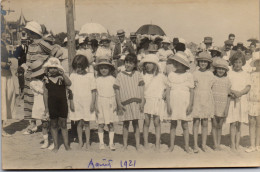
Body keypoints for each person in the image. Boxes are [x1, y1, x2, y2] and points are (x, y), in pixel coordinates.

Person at [23, 21, 63, 134]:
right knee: (29, 100)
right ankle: (32, 125)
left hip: (40, 75)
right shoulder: (30, 45)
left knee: (42, 101)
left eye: (30, 32)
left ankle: (49, 124)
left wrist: (46, 62)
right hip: (30, 75)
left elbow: (57, 51)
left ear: (34, 33)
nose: (28, 34)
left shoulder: (42, 43)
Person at [113, 53, 145, 151]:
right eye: (126, 62)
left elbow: (142, 89)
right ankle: (125, 145)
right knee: (125, 124)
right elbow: (117, 90)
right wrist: (119, 103)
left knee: (136, 124)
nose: (128, 65)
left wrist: (142, 102)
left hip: (136, 103)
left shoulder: (138, 74)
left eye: (131, 63)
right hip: (125, 103)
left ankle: (138, 145)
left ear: (135, 64)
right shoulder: (120, 75)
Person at [166, 52, 194, 153]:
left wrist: (190, 104)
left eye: (179, 63)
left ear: (184, 65)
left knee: (185, 125)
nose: (177, 64)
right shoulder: (171, 74)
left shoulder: (189, 75)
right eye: (175, 62)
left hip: (184, 103)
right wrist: (168, 104)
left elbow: (192, 91)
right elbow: (168, 91)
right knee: (173, 124)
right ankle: (171, 146)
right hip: (173, 102)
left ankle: (186, 146)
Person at [43, 57, 72, 152]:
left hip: (62, 103)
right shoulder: (46, 79)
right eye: (51, 68)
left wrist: (63, 75)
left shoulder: (62, 77)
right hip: (52, 104)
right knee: (53, 124)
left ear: (59, 68)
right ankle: (56, 145)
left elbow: (69, 83)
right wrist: (46, 108)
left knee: (63, 124)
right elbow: (45, 93)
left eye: (55, 68)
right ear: (47, 69)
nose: (53, 70)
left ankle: (67, 145)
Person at [139, 54, 166, 151]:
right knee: (146, 122)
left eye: (150, 63)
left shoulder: (161, 76)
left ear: (155, 65)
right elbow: (140, 89)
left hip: (157, 101)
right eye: (146, 63)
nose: (148, 65)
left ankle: (157, 142)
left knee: (156, 122)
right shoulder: (142, 75)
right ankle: (145, 142)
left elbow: (168, 86)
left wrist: (165, 93)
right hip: (146, 100)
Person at [68, 55, 96, 150]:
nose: (78, 69)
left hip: (87, 102)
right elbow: (70, 91)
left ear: (85, 66)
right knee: (79, 123)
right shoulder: (72, 76)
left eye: (80, 67)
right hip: (76, 102)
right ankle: (80, 141)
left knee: (87, 123)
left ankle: (88, 141)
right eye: (76, 67)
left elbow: (93, 91)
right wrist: (71, 102)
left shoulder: (90, 76)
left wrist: (93, 103)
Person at [226, 52, 251, 151]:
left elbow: (248, 87)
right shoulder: (229, 73)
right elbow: (227, 86)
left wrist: (240, 93)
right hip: (232, 100)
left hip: (241, 100)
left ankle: (237, 143)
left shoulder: (245, 74)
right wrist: (233, 92)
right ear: (232, 63)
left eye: (239, 62)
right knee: (232, 122)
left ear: (243, 63)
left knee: (239, 123)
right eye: (235, 62)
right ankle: (232, 144)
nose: (237, 64)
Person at [191, 51, 215, 153]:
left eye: (205, 62)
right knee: (196, 122)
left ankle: (203, 144)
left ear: (208, 63)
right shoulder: (195, 73)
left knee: (205, 123)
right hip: (197, 98)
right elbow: (192, 87)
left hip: (207, 98)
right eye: (201, 61)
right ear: (198, 62)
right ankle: (195, 144)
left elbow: (212, 87)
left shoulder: (210, 74)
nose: (203, 63)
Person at [94, 57, 118, 151]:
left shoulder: (113, 79)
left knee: (111, 124)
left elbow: (116, 92)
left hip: (111, 102)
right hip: (100, 102)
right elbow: (96, 93)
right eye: (101, 68)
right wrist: (96, 104)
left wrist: (116, 103)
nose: (103, 70)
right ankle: (101, 143)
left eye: (106, 68)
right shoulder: (97, 79)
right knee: (101, 124)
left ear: (110, 69)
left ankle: (111, 143)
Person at [29, 59, 50, 148]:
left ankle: (51, 138)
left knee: (49, 123)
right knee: (44, 123)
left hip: (48, 103)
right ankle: (46, 141)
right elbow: (43, 91)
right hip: (40, 105)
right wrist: (46, 83)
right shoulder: (33, 83)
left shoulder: (45, 79)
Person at [211, 58, 231, 151]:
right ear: (215, 69)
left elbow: (229, 95)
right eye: (219, 68)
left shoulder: (227, 80)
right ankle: (215, 144)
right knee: (214, 125)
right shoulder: (213, 78)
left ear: (225, 70)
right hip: (213, 105)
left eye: (223, 69)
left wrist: (226, 108)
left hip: (223, 106)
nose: (220, 70)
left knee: (220, 125)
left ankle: (218, 143)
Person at [1, 37, 16, 137]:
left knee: (5, 100)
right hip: (2, 75)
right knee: (2, 102)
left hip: (6, 74)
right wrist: (6, 63)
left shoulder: (2, 43)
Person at [246, 55, 260, 153]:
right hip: (252, 101)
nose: (259, 64)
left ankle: (258, 145)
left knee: (259, 124)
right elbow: (248, 87)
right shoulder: (250, 75)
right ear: (255, 63)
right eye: (257, 62)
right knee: (251, 123)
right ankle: (251, 145)